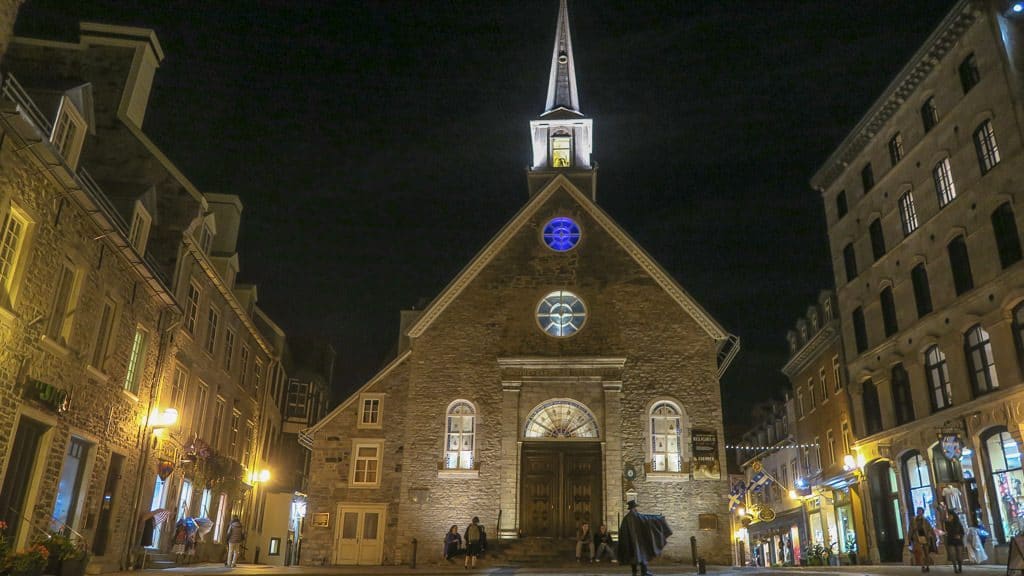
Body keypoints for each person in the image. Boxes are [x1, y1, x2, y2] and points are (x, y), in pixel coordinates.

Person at [617, 500, 672, 576]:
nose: (636, 509)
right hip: (639, 541)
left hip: (630, 542)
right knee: (643, 554)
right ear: (634, 508)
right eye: (635, 507)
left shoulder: (626, 519)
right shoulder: (637, 516)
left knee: (633, 556)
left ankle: (634, 572)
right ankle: (644, 571)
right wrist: (659, 518)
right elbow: (648, 519)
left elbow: (622, 531)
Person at [909, 507, 935, 572]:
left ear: (922, 512)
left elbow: (930, 529)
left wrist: (930, 535)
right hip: (917, 538)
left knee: (926, 553)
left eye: (920, 511)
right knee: (920, 553)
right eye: (918, 511)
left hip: (925, 538)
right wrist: (909, 538)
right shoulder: (913, 520)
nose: (919, 512)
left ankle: (927, 566)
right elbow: (910, 530)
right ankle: (923, 567)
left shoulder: (925, 520)